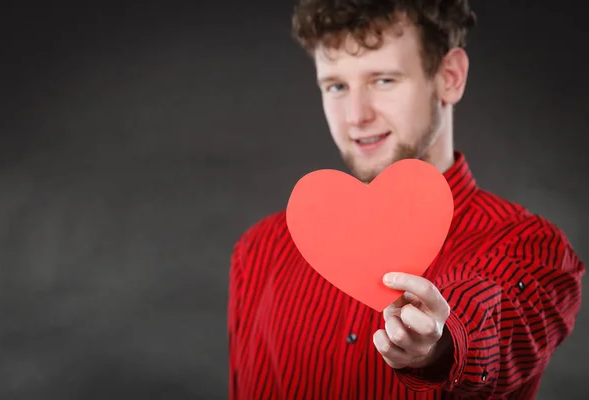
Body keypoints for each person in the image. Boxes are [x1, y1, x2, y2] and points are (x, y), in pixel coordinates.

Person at [227, 1, 585, 399]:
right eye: (336, 86)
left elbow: (497, 323)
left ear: (449, 76)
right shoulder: (260, 249)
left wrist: (438, 345)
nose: (355, 116)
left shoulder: (532, 246)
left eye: (383, 80)